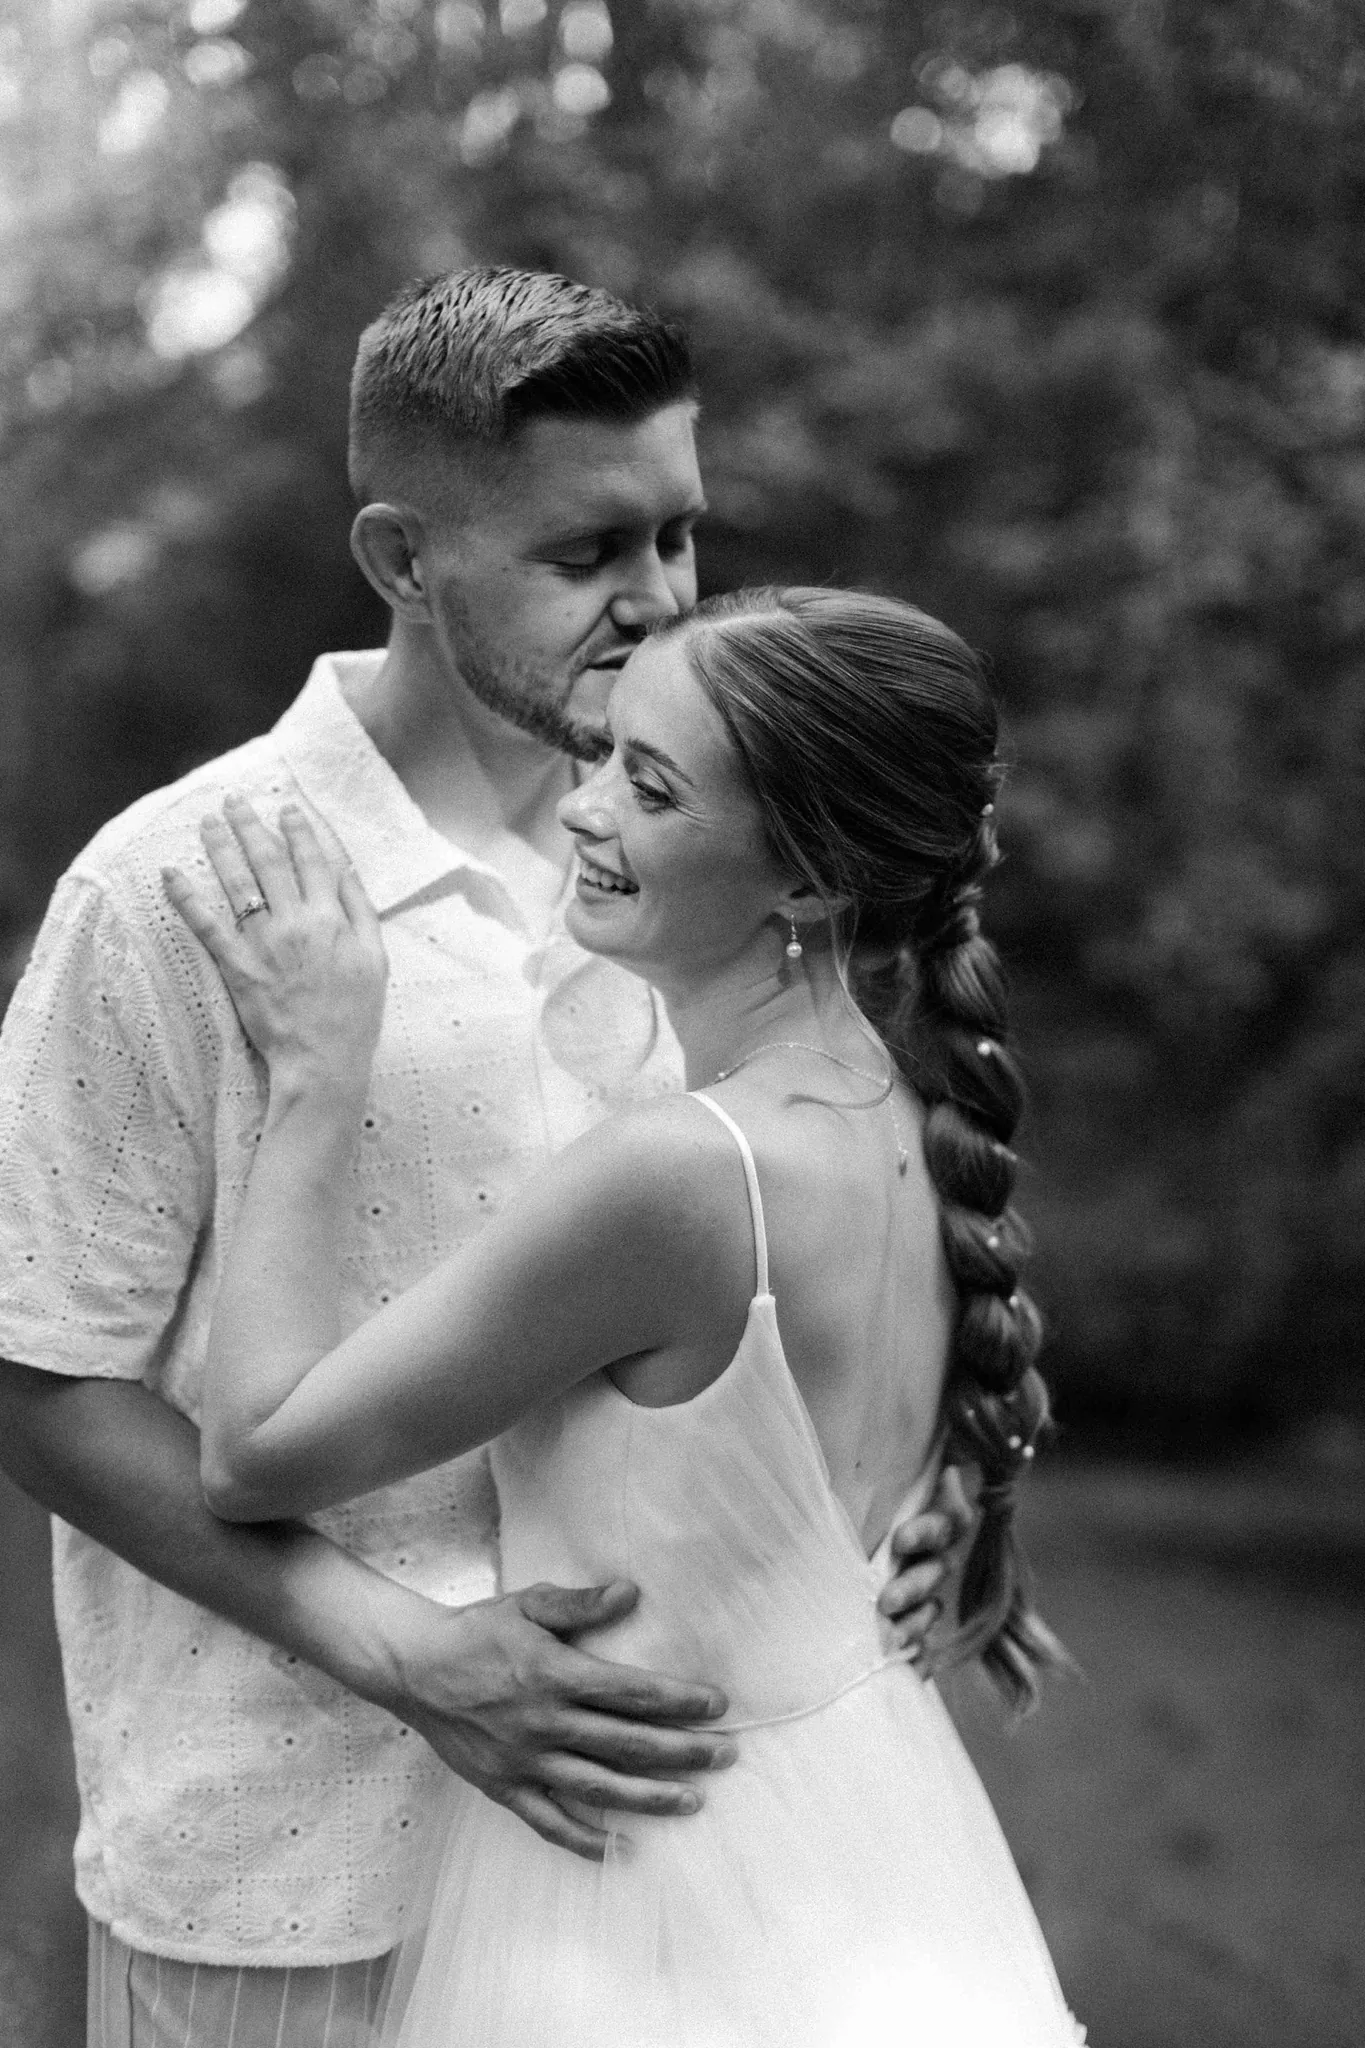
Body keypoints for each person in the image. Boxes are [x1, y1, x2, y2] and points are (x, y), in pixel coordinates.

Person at [0, 270, 964, 2046]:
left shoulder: (713, 872)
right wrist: (399, 1651)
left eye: (681, 532)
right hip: (291, 1880)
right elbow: (37, 1373)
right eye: (588, 552)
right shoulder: (175, 889)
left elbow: (810, 1259)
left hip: (657, 1902)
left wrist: (909, 1503)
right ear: (400, 558)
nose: (661, 599)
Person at [165, 584, 1084, 2047]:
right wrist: (967, 1498)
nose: (582, 812)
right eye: (600, 754)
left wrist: (317, 1067)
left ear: (812, 882)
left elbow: (253, 1449)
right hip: (869, 1860)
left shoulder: (682, 1175)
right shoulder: (910, 1121)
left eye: (648, 786)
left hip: (657, 1910)